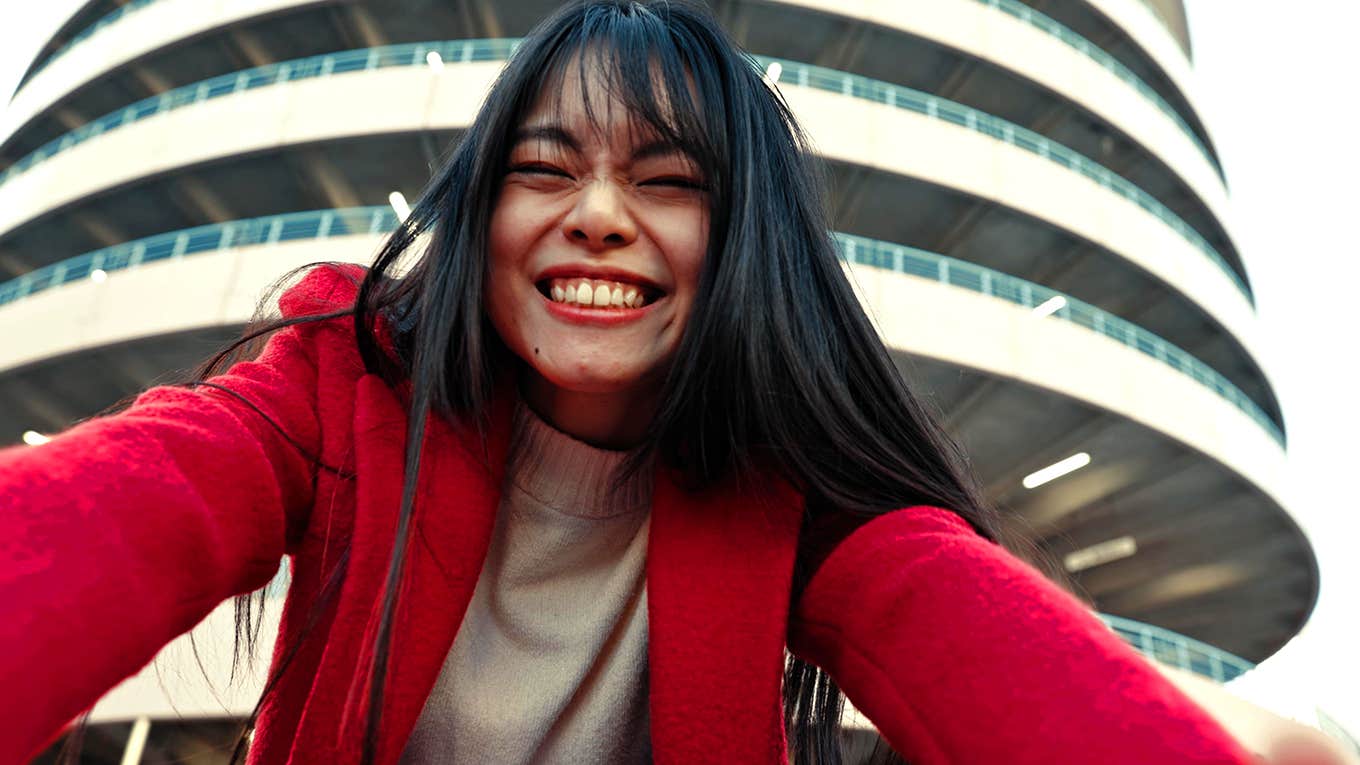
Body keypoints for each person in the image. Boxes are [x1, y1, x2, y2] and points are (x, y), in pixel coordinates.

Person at [0, 1, 1264, 763]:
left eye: (668, 182)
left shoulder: (801, 493)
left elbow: (983, 652)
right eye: (544, 171)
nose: (599, 216)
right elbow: (130, 505)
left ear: (743, 246)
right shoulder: (338, 386)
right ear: (479, 213)